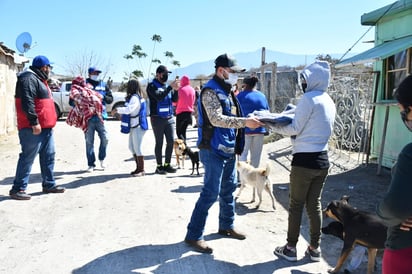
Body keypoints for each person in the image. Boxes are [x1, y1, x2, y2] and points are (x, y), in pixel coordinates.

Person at [184, 53, 263, 253]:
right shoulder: (210, 91)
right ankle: (194, 235)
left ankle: (226, 225)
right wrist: (245, 122)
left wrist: (249, 118)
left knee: (228, 190)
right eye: (234, 72)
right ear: (222, 70)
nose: (237, 76)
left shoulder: (227, 91)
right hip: (212, 149)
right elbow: (216, 119)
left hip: (227, 148)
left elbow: (231, 116)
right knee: (210, 193)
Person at [273, 61, 336, 262]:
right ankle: (315, 249)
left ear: (312, 79)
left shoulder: (309, 99)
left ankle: (290, 248)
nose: (303, 83)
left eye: (305, 79)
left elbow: (294, 128)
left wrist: (273, 126)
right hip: (322, 161)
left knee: (296, 205)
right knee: (314, 204)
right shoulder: (329, 100)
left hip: (303, 162)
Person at [10, 55, 66, 200]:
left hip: (46, 128)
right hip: (32, 128)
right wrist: (34, 122)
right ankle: (18, 189)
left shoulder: (40, 79)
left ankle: (49, 184)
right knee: (28, 158)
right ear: (44, 67)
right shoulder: (28, 78)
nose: (49, 70)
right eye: (49, 67)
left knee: (48, 156)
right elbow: (27, 101)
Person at [376, 74, 412, 274]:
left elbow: (394, 209)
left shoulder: (410, 154)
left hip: (405, 250)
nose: (404, 118)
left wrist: (381, 212)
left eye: (403, 111)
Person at [146, 65, 180, 175]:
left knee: (170, 141)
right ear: (158, 74)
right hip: (157, 118)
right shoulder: (151, 86)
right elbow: (159, 96)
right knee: (159, 142)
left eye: (167, 74)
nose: (166, 76)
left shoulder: (167, 86)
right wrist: (170, 87)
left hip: (169, 118)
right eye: (164, 74)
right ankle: (159, 166)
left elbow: (175, 99)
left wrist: (176, 90)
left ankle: (167, 164)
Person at [112, 79, 148, 176]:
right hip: (134, 126)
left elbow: (129, 110)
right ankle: (138, 168)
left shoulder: (135, 98)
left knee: (137, 148)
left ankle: (141, 169)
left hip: (138, 126)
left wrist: (117, 110)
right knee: (131, 147)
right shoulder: (136, 97)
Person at [236, 76, 269, 168]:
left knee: (242, 155)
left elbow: (234, 113)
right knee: (256, 157)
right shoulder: (262, 96)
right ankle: (254, 177)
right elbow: (267, 112)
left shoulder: (239, 96)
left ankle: (241, 178)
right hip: (259, 129)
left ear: (244, 85)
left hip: (244, 130)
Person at [84, 67, 113, 172]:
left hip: (101, 117)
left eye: (97, 73)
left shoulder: (104, 85)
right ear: (89, 73)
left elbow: (110, 99)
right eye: (94, 73)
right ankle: (91, 164)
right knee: (89, 141)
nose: (96, 74)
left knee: (105, 138)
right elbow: (73, 101)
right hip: (88, 118)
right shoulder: (84, 85)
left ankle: (102, 159)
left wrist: (102, 97)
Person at [175, 75, 196, 140]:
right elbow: (193, 100)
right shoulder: (192, 90)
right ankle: (185, 146)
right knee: (183, 132)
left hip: (181, 113)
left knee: (179, 133)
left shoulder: (180, 90)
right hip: (189, 113)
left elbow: (175, 101)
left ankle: (184, 147)